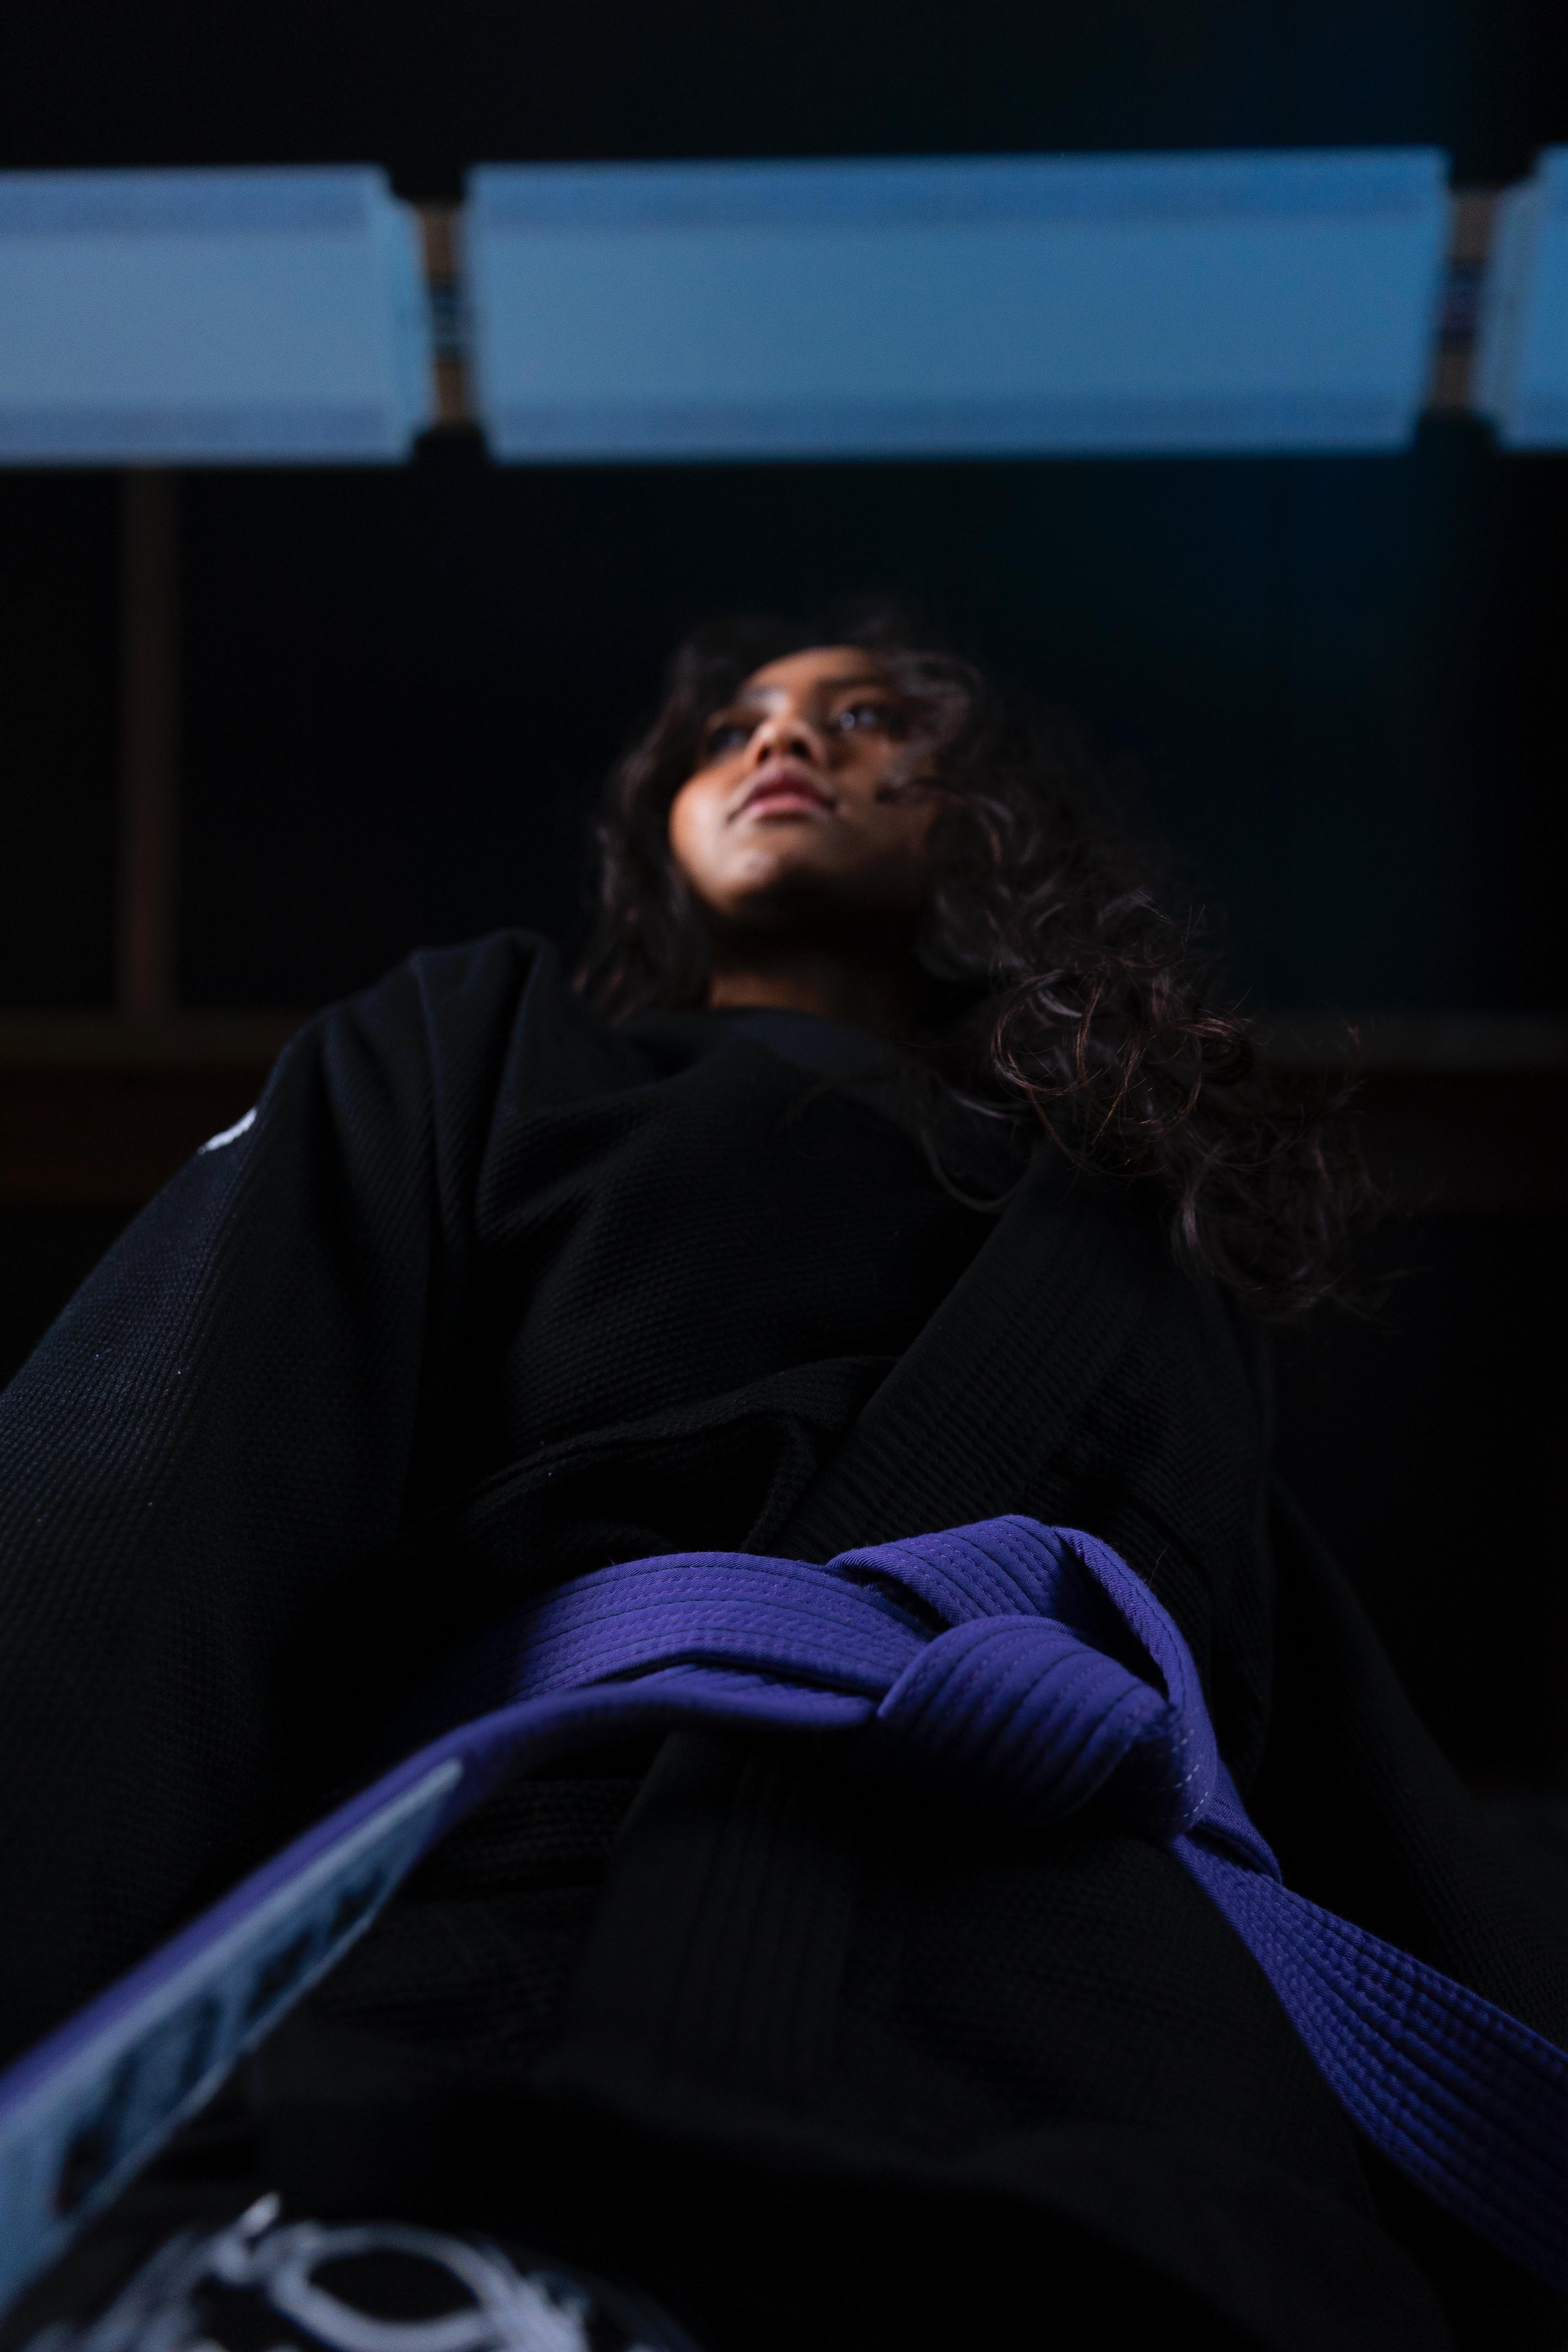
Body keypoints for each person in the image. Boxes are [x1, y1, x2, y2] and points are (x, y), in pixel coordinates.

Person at [0, 613, 1561, 2352]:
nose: (778, 741)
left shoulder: (1143, 1239)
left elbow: (1330, 1762)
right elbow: (135, 1504)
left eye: (870, 715)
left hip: (1127, 2053)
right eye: (728, 725)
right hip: (531, 1939)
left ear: (997, 818)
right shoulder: (477, 1047)